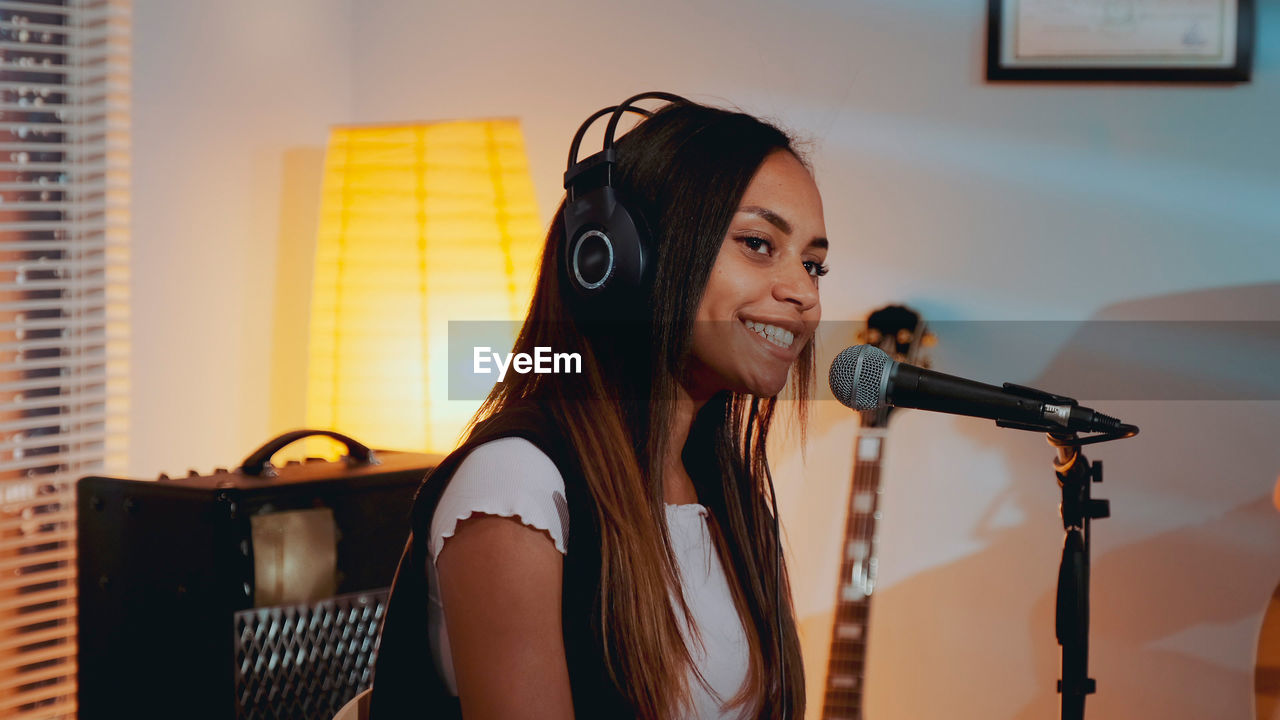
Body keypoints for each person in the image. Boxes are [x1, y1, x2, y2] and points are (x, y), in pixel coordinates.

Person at [369, 92, 831, 720]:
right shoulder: (516, 484)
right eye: (757, 243)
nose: (803, 292)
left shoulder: (733, 497)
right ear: (621, 261)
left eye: (813, 264)